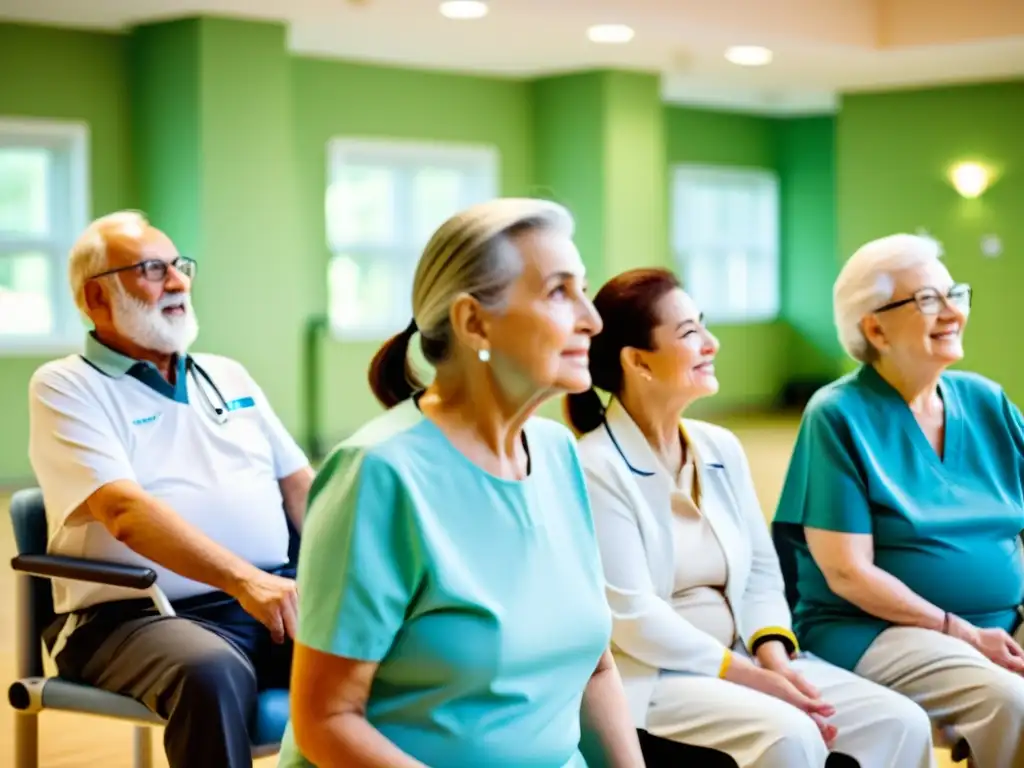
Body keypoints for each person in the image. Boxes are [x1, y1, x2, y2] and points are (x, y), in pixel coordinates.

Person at [278, 198, 643, 768]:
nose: (591, 318)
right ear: (474, 321)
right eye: (558, 292)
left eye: (584, 289)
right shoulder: (378, 474)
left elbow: (595, 668)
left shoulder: (557, 454)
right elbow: (326, 722)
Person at [566, 267, 935, 768]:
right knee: (790, 735)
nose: (711, 343)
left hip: (748, 653)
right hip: (660, 676)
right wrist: (753, 678)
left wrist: (774, 658)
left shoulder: (721, 447)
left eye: (703, 324)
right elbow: (634, 618)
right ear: (638, 362)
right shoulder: (594, 466)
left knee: (901, 721)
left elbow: (762, 570)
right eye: (690, 333)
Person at [28, 211, 315, 768]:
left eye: (179, 266)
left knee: (382, 646)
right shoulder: (66, 386)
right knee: (208, 670)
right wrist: (245, 581)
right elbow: (124, 512)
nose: (178, 281)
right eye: (152, 269)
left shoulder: (228, 374)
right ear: (96, 296)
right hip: (130, 617)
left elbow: (302, 489)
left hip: (267, 597)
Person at [772, 233, 1024, 768]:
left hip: (1004, 619)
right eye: (928, 300)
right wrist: (964, 633)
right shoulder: (837, 415)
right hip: (874, 629)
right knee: (1011, 700)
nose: (952, 311)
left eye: (954, 293)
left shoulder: (986, 399)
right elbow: (848, 575)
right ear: (875, 327)